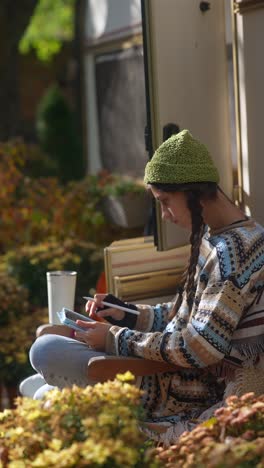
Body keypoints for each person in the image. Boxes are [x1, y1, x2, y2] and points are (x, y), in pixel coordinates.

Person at [27, 129, 264, 443]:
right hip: (166, 368)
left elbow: (200, 348)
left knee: (45, 354)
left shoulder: (236, 252)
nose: (164, 215)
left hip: (184, 387)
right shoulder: (222, 238)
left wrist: (115, 339)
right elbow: (183, 315)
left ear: (193, 192)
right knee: (41, 368)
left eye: (165, 202)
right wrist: (126, 314)